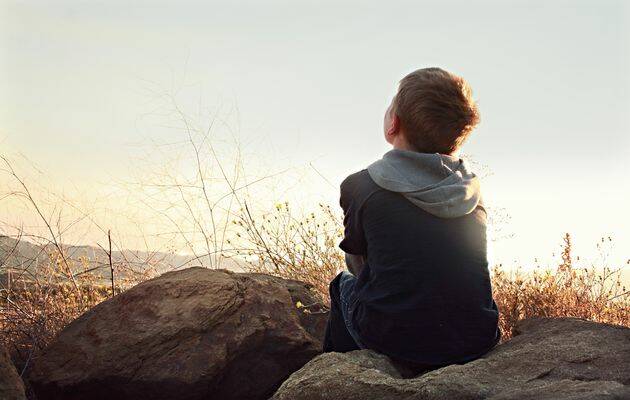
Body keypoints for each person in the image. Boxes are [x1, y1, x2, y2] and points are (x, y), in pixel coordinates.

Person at [323, 67, 500, 372]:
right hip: (476, 339)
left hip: (396, 340)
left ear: (394, 123)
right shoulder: (471, 191)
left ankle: (332, 373)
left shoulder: (362, 186)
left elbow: (359, 265)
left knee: (343, 285)